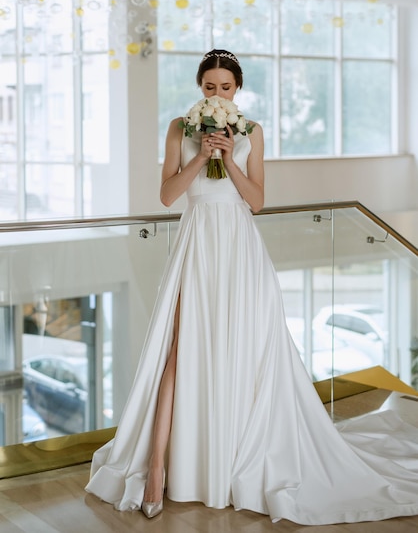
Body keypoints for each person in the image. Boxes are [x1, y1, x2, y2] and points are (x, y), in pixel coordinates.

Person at [86, 50, 418, 525]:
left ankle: (228, 460)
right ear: (200, 87)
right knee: (178, 352)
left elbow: (257, 201)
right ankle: (156, 471)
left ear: (237, 90)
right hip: (197, 242)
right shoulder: (180, 128)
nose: (216, 94)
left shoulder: (252, 131)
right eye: (209, 87)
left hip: (240, 247)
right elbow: (166, 195)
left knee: (242, 350)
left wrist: (228, 158)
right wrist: (201, 156)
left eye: (224, 87)